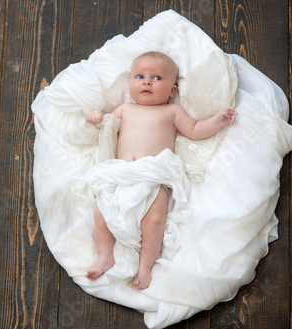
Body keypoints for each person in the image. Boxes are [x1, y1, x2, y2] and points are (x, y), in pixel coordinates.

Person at [85, 51, 237, 290]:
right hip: (121, 174)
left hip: (154, 176)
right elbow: (105, 127)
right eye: (140, 76)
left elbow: (195, 129)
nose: (147, 81)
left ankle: (145, 265)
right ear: (130, 83)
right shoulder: (125, 109)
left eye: (156, 78)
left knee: (154, 220)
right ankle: (105, 256)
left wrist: (216, 121)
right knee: (100, 214)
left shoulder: (172, 112)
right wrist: (95, 117)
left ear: (172, 91)